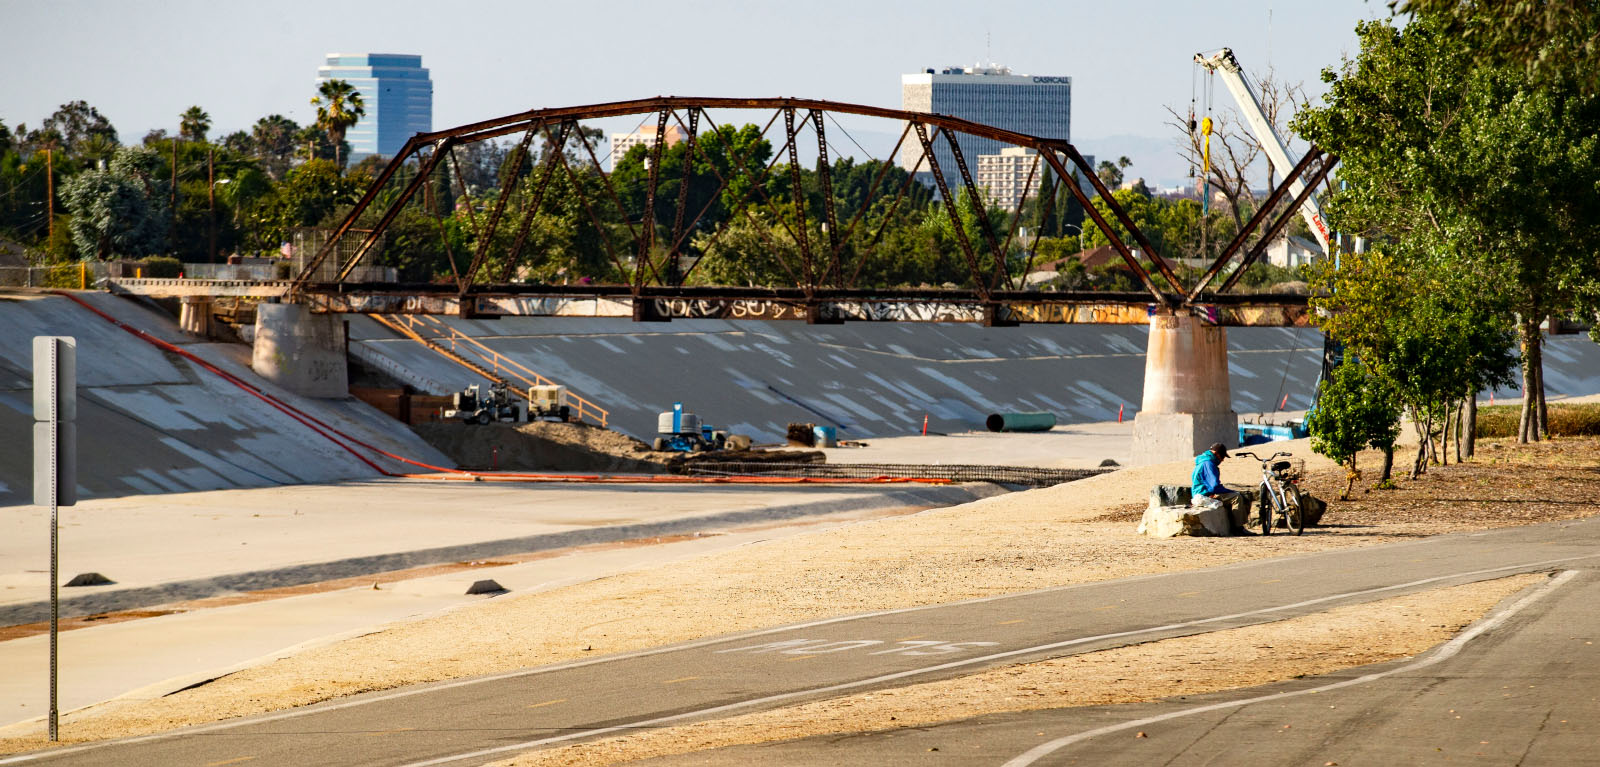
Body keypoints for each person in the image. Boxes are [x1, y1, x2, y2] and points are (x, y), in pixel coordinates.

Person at [1192, 442, 1252, 534]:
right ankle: (1238, 528)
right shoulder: (1209, 464)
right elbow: (1214, 487)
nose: (1223, 460)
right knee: (1237, 497)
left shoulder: (1203, 461)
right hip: (1205, 494)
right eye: (1222, 457)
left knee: (1233, 495)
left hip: (1199, 494)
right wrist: (1230, 491)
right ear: (1216, 454)